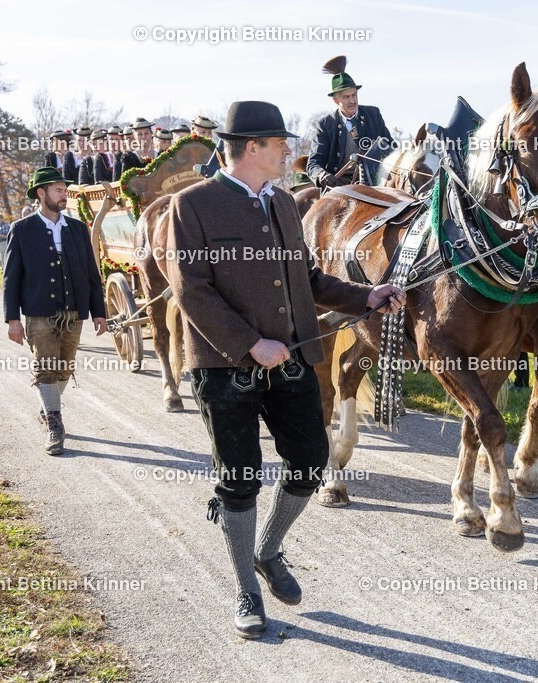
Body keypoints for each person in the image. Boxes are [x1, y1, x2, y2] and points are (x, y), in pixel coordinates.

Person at [165, 100, 405, 639]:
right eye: (280, 144)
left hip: (291, 360)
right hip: (223, 367)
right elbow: (191, 291)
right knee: (239, 477)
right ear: (252, 148)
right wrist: (250, 344)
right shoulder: (192, 205)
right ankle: (246, 591)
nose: (288, 152)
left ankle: (268, 550)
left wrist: (367, 296)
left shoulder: (282, 203)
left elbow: (308, 280)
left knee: (310, 458)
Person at [3, 167, 107, 455]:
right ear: (41, 193)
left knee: (65, 368)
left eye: (65, 190)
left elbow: (91, 273)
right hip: (39, 313)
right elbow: (11, 277)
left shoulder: (77, 228)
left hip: (73, 312)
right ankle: (54, 424)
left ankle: (47, 407)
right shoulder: (21, 229)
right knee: (46, 367)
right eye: (59, 190)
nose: (64, 195)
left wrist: (99, 311)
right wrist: (13, 319)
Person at [307, 55, 395, 188]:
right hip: (339, 186)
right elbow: (313, 164)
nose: (352, 101)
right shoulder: (325, 125)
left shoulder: (373, 114)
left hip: (376, 181)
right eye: (346, 97)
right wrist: (322, 175)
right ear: (336, 100)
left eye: (354, 95)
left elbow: (391, 146)